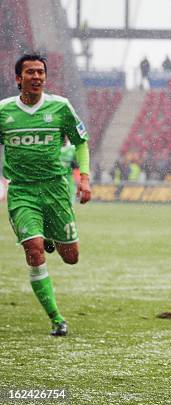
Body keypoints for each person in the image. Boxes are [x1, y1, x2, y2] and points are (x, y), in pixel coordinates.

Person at [0, 54, 92, 336]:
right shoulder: (4, 111)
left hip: (55, 190)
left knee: (71, 257)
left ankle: (52, 236)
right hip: (22, 191)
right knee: (34, 250)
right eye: (30, 72)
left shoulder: (60, 107)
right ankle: (56, 318)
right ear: (18, 78)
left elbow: (81, 142)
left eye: (40, 72)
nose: (37, 77)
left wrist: (85, 179)